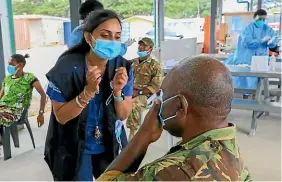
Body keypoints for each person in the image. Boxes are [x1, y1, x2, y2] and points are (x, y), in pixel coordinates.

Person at [97, 56, 251, 181]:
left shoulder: (174, 172)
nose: (159, 102)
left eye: (162, 95)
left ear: (180, 106)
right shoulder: (231, 151)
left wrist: (143, 136)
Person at [44, 10, 134, 181]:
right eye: (105, 36)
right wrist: (88, 92)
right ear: (88, 37)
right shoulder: (66, 68)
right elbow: (61, 116)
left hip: (109, 140)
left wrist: (117, 91)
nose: (112, 42)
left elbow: (123, 114)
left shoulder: (123, 68)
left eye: (117, 37)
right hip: (75, 143)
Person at [225, 9, 278, 98]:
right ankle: (246, 95)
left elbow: (274, 39)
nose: (261, 21)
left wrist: (271, 41)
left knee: (259, 79)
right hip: (246, 58)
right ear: (254, 18)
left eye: (263, 19)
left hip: (261, 58)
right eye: (259, 19)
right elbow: (247, 42)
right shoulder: (248, 28)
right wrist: (260, 41)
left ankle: (255, 96)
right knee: (246, 79)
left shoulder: (267, 29)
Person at [126, 37, 162, 140]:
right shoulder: (133, 62)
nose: (140, 47)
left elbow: (156, 86)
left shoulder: (155, 65)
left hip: (146, 95)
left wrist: (138, 92)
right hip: (130, 91)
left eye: (144, 45)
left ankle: (133, 134)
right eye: (140, 45)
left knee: (133, 104)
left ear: (150, 49)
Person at [0, 54, 46, 130]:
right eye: (9, 64)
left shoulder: (29, 78)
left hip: (16, 110)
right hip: (2, 108)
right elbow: (1, 96)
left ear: (20, 65)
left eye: (11, 64)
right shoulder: (7, 79)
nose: (9, 67)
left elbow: (43, 95)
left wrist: (41, 113)